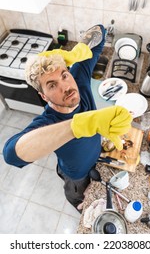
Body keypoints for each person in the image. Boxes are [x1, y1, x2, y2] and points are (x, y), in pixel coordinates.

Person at [3, 24, 132, 212]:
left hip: (96, 156)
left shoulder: (78, 78)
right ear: (44, 97)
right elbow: (11, 155)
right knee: (78, 195)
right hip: (76, 174)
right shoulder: (48, 122)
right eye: (52, 85)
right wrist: (78, 126)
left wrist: (76, 51)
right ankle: (77, 204)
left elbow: (100, 31)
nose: (66, 87)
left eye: (64, 75)